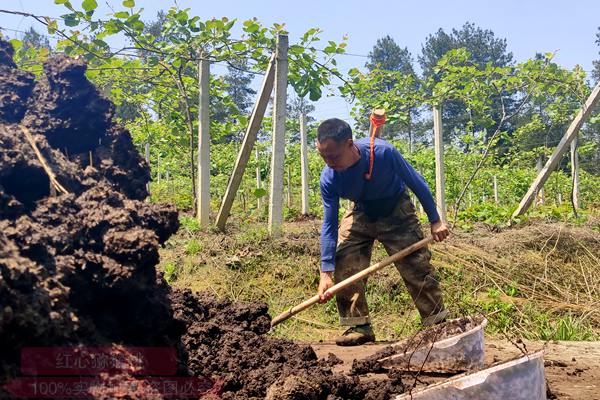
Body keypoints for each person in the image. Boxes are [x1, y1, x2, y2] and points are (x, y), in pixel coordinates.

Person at [316, 117, 450, 346]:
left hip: (396, 208)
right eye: (323, 156)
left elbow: (416, 182)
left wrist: (435, 220)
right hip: (361, 210)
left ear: (350, 145)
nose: (329, 162)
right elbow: (329, 224)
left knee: (416, 264)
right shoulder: (329, 178)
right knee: (345, 258)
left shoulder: (383, 153)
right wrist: (325, 272)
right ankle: (357, 325)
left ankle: (437, 325)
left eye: (334, 156)